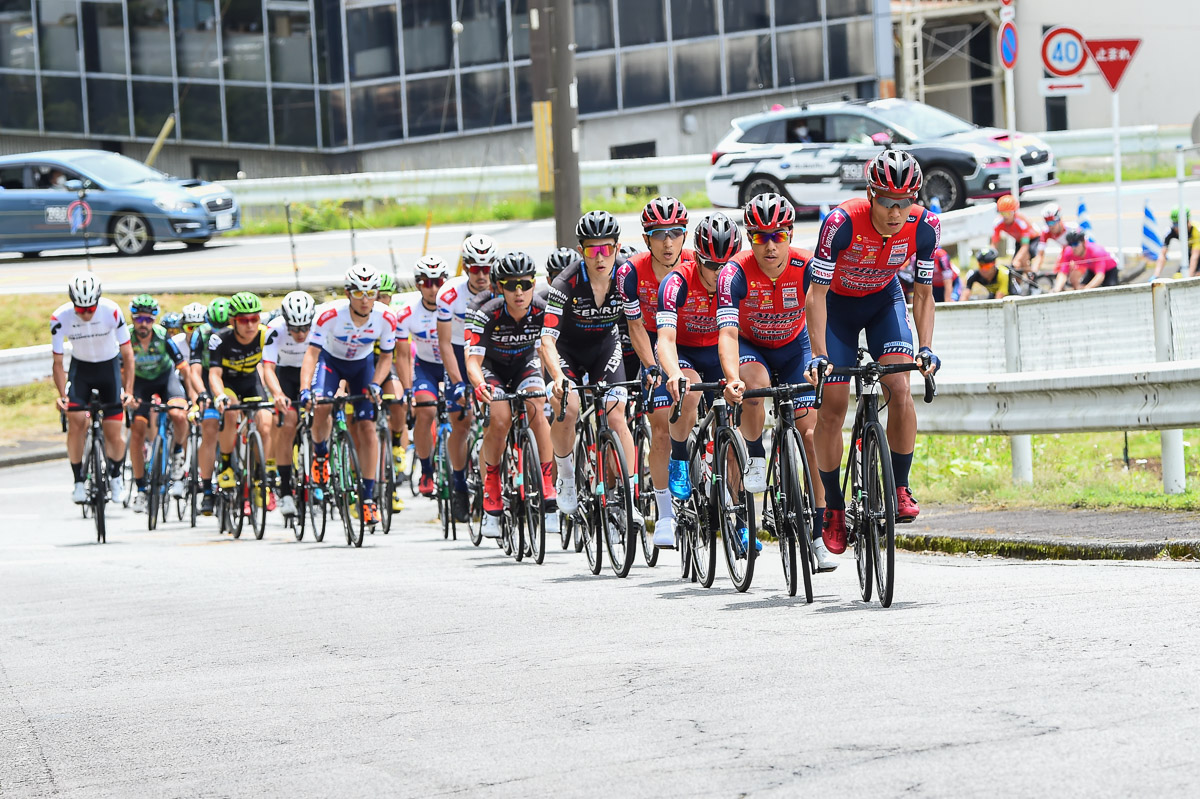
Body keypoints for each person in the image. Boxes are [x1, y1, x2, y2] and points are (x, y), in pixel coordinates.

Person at [805, 149, 942, 556]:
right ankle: (832, 505)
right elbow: (816, 294)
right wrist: (817, 353)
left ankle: (899, 486)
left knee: (899, 387)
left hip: (884, 302)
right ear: (870, 194)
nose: (896, 212)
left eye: (905, 202)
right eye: (886, 201)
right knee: (833, 406)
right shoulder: (841, 223)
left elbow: (922, 293)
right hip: (838, 310)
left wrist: (927, 347)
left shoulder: (926, 226)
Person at [715, 198, 833, 568]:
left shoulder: (805, 265)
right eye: (760, 237)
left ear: (790, 235)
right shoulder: (733, 273)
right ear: (749, 239)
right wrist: (733, 378)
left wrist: (820, 357)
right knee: (756, 385)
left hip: (794, 346)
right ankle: (754, 455)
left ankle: (818, 532)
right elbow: (729, 333)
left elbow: (821, 317)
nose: (770, 245)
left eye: (778, 236)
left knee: (811, 436)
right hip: (752, 347)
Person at [541, 210, 641, 532]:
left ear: (617, 247)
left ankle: (630, 499)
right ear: (582, 250)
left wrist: (652, 367)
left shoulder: (626, 277)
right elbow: (547, 339)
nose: (600, 257)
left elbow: (636, 328)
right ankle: (567, 475)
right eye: (591, 249)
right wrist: (558, 377)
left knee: (617, 414)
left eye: (606, 248)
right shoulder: (564, 282)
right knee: (567, 408)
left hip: (603, 348)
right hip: (567, 350)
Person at [617, 196, 692, 548]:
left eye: (675, 233)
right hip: (655, 344)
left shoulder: (697, 264)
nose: (668, 242)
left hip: (695, 340)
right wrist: (652, 367)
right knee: (661, 423)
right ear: (646, 239)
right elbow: (635, 327)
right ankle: (664, 515)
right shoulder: (630, 272)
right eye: (659, 234)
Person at [465, 252, 557, 538]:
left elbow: (552, 350)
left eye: (526, 284)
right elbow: (472, 360)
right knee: (501, 418)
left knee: (536, 406)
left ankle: (546, 482)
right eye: (511, 285)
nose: (519, 292)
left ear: (534, 284)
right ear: (498, 287)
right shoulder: (486, 312)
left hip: (524, 365)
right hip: (492, 369)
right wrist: (479, 384)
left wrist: (557, 380)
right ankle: (491, 488)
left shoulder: (543, 310)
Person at [300, 265, 397, 527]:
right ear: (348, 293)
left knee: (367, 427)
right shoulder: (329, 314)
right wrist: (305, 389)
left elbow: (386, 357)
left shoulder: (386, 317)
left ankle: (368, 500)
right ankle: (320, 457)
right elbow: (311, 354)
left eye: (371, 293)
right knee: (321, 407)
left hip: (362, 366)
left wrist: (376, 384)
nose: (365, 299)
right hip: (332, 363)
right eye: (359, 293)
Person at [51, 273, 134, 504]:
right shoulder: (60, 317)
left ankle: (116, 476)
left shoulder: (112, 311)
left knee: (113, 431)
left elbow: (128, 354)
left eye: (90, 309)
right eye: (81, 309)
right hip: (82, 372)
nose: (86, 314)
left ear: (98, 301)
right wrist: (62, 396)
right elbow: (57, 363)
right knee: (76, 421)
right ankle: (78, 480)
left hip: (109, 370)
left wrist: (128, 390)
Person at [436, 234, 497, 522]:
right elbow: (446, 343)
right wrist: (457, 381)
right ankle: (459, 485)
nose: (483, 275)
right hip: (460, 352)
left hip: (490, 349)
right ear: (466, 268)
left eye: (487, 269)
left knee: (494, 420)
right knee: (460, 422)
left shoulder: (503, 287)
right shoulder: (449, 294)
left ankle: (492, 487)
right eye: (476, 269)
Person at [208, 292, 278, 514]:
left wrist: (276, 393)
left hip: (250, 381)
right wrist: (219, 396)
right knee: (230, 411)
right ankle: (226, 465)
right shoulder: (220, 339)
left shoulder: (265, 335)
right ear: (233, 321)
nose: (250, 325)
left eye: (255, 318)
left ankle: (259, 477)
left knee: (266, 423)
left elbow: (268, 368)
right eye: (244, 320)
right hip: (228, 383)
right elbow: (214, 374)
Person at [126, 294, 190, 511]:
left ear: (154, 320)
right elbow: (119, 369)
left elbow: (183, 367)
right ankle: (141, 488)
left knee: (179, 415)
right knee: (137, 430)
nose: (143, 324)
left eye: (148, 319)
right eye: (138, 319)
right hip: (140, 384)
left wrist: (190, 397)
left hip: (165, 380)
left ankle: (178, 455)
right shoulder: (126, 338)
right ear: (133, 319)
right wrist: (126, 394)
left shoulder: (163, 337)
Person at [396, 255, 448, 498]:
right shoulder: (407, 312)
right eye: (427, 283)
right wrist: (408, 392)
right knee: (425, 411)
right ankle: (426, 469)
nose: (434, 288)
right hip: (426, 367)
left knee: (465, 414)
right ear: (418, 284)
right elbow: (404, 356)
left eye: (438, 282)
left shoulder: (455, 303)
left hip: (453, 366)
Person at [261, 290, 315, 519]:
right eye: (295, 329)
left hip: (313, 371)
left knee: (324, 413)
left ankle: (322, 466)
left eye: (305, 328)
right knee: (288, 423)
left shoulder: (321, 326)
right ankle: (284, 490)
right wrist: (277, 394)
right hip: (286, 374)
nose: (301, 334)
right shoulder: (275, 329)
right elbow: (268, 368)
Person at [190, 297, 230, 515]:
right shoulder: (200, 334)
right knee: (210, 428)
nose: (219, 332)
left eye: (223, 327)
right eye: (215, 327)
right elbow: (194, 371)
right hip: (207, 377)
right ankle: (206, 490)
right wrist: (202, 394)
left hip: (231, 376)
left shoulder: (238, 331)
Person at [375, 272, 409, 513]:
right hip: (365, 366)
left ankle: (397, 445)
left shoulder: (393, 316)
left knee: (399, 399)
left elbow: (402, 353)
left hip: (387, 367)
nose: (380, 301)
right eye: (376, 296)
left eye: (384, 296)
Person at [1053, 229, 1119, 291]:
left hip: (1110, 269)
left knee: (1109, 288)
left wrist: (1087, 289)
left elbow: (1100, 275)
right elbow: (1063, 273)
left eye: (1076, 244)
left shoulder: (1095, 251)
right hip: (1092, 269)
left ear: (1083, 243)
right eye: (1070, 244)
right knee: (1081, 285)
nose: (1073, 248)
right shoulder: (1068, 252)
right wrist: (1057, 289)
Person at [991, 194, 1037, 273]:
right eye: (1002, 213)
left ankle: (1032, 280)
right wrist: (991, 259)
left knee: (1022, 261)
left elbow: (1025, 246)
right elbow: (994, 243)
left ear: (1014, 212)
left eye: (1008, 213)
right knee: (1015, 269)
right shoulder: (998, 223)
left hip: (1033, 239)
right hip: (1019, 241)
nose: (1005, 217)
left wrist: (1017, 260)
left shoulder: (1021, 222)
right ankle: (1017, 283)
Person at [1153, 207, 1200, 279]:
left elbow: (1195, 256)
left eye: (1179, 225)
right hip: (1190, 251)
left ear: (1188, 222)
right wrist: (1156, 275)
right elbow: (1162, 254)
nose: (1177, 228)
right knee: (1177, 277)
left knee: (1196, 275)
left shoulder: (1196, 230)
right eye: (1175, 224)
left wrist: (1189, 278)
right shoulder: (1171, 231)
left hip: (1196, 251)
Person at [1031, 204, 1071, 274]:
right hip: (1066, 251)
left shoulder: (1070, 229)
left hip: (1078, 252)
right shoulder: (1046, 231)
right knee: (1057, 271)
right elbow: (1040, 255)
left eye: (1052, 222)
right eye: (1047, 223)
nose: (1050, 226)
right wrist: (1034, 271)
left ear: (1059, 220)